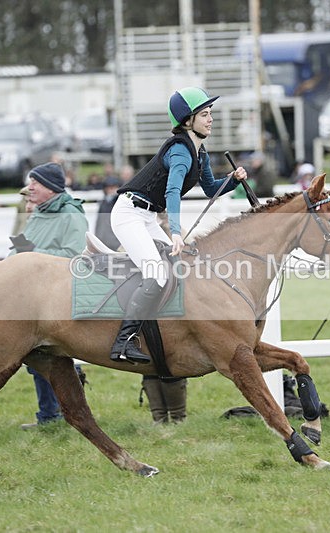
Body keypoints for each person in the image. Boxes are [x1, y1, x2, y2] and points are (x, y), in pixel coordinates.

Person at [110, 86, 246, 364]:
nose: (211, 119)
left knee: (175, 269)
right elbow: (172, 192)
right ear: (188, 121)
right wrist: (174, 232)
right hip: (129, 215)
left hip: (146, 216)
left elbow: (210, 189)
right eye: (205, 114)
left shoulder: (200, 153)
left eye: (210, 114)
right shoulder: (181, 153)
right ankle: (122, 342)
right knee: (158, 275)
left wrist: (232, 179)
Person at [9, 162, 89, 429]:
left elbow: (72, 255)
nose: (29, 187)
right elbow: (21, 249)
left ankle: (67, 412)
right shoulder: (40, 213)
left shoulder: (72, 215)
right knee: (36, 358)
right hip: (32, 298)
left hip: (58, 299)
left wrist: (33, 257)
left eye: (36, 183)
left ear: (52, 188)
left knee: (51, 357)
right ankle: (49, 416)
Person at [94, 175, 122, 250]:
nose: (111, 190)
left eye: (114, 187)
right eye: (109, 188)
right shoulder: (103, 203)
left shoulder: (119, 203)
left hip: (116, 243)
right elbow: (99, 223)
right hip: (103, 240)